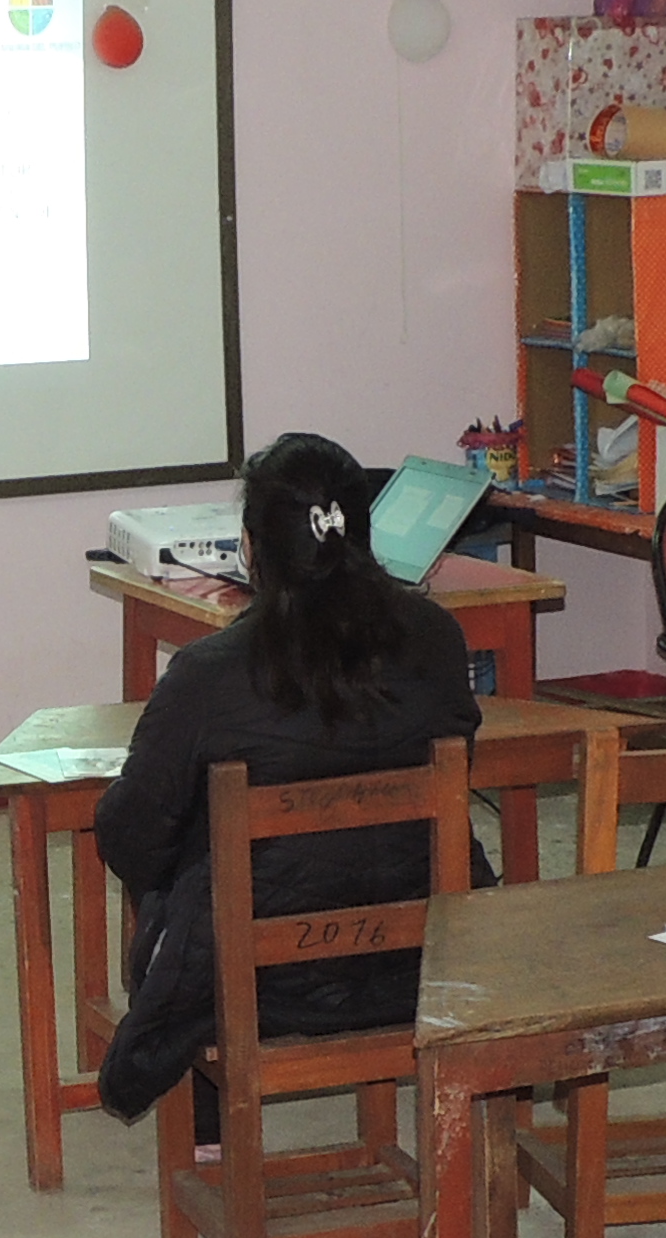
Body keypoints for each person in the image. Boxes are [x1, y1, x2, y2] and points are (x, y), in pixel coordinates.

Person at [93, 432, 481, 1124]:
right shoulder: (437, 640)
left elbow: (131, 837)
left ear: (250, 547)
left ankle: (210, 1127)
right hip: (422, 960)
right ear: (364, 533)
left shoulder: (210, 674)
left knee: (187, 861)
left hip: (256, 982)